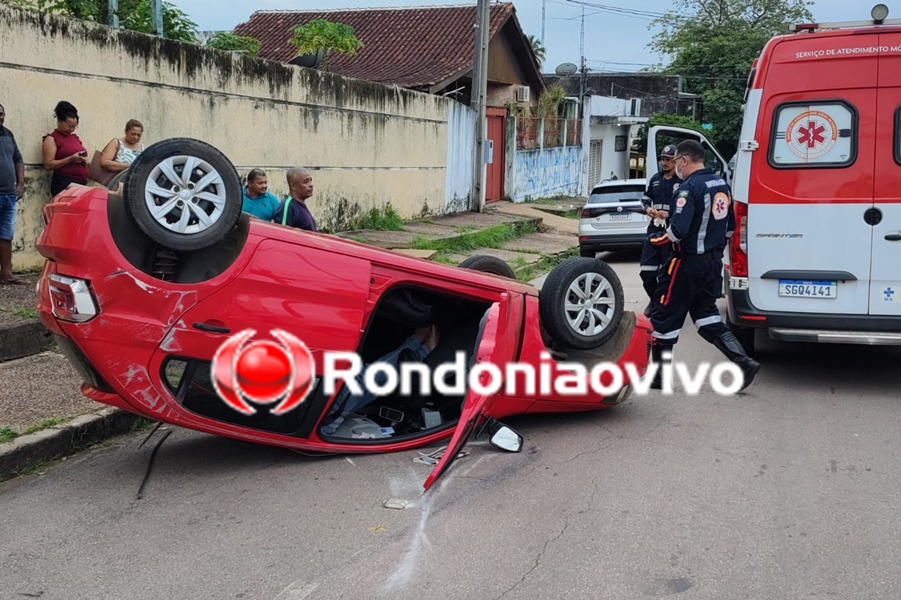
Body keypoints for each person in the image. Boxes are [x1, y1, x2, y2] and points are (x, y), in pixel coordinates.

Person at [646, 140, 759, 391]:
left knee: (662, 317)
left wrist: (656, 241)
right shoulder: (722, 185)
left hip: (684, 264)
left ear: (684, 160)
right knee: (707, 316)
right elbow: (730, 227)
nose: (674, 167)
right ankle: (743, 361)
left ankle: (659, 377)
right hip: (712, 264)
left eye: (675, 162)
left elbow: (677, 230)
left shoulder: (687, 188)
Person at [320, 325, 440, 436]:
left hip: (323, 419)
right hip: (324, 422)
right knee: (360, 380)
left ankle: (420, 348)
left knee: (374, 387)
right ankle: (420, 346)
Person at [639, 144, 682, 317]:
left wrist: (669, 213)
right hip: (653, 230)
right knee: (647, 272)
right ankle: (655, 300)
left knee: (668, 272)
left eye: (668, 159)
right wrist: (648, 208)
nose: (665, 162)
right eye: (663, 159)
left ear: (676, 161)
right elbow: (645, 198)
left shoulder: (682, 182)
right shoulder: (656, 179)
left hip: (671, 232)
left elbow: (686, 208)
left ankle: (667, 305)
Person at [0, 103, 25, 285]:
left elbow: (18, 159)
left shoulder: (8, 134)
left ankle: (7, 274)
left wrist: (21, 183)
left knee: (6, 235)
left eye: (1, 114)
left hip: (9, 195)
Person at [42, 101, 89, 197]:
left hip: (80, 182)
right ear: (60, 121)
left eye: (74, 127)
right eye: (69, 126)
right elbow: (48, 165)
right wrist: (70, 159)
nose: (71, 129)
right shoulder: (52, 139)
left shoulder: (74, 138)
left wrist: (82, 160)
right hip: (64, 182)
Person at [274, 167, 316, 231]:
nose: (311, 185)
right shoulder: (288, 206)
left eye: (311, 180)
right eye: (305, 182)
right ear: (293, 186)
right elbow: (282, 235)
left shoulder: (300, 204)